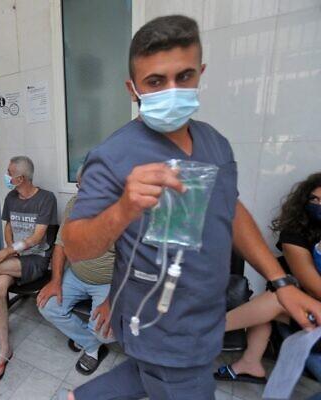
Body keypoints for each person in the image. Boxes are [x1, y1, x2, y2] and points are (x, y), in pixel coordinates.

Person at [59, 15, 321, 400]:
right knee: (176, 378)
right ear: (133, 89)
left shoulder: (215, 144)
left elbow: (229, 209)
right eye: (155, 82)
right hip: (157, 322)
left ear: (200, 73)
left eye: (183, 77)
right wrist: (124, 207)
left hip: (205, 312)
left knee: (152, 374)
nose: (172, 90)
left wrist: (280, 282)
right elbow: (77, 245)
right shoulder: (113, 156)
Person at [215, 173, 321, 383]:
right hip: (312, 307)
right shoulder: (294, 236)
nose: (319, 205)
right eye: (314, 200)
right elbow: (313, 286)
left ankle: (194, 332)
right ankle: (249, 363)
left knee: (276, 300)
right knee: (277, 298)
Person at [0, 156, 57, 382]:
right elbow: (8, 226)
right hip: (15, 258)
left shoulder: (46, 199)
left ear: (21, 178)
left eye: (9, 173)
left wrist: (5, 253)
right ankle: (4, 348)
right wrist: (9, 248)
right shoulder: (11, 198)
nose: (6, 176)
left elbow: (37, 237)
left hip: (36, 260)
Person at [37, 166, 116, 376]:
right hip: (77, 275)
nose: (80, 194)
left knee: (107, 332)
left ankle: (92, 339)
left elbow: (132, 265)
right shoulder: (74, 205)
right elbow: (60, 245)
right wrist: (55, 281)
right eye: (79, 187)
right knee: (48, 305)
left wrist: (111, 301)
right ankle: (91, 346)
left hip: (109, 282)